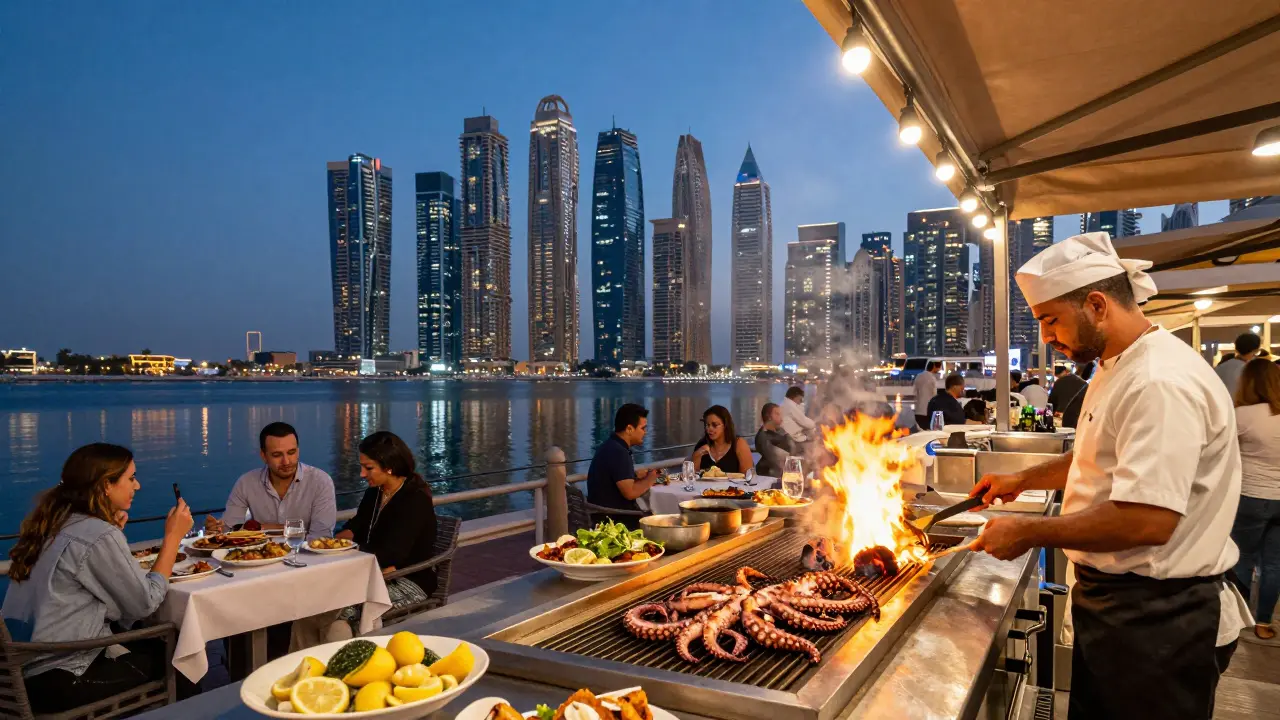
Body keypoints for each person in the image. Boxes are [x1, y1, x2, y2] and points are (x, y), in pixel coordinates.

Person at [968, 232, 1250, 720]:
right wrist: (1023, 480)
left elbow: (1146, 520)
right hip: (1121, 613)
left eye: (1050, 320)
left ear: (1097, 304)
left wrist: (1029, 531)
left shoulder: (1159, 381)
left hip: (1160, 624)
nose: (1047, 338)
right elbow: (1099, 458)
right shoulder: (1117, 364)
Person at [2, 444, 195, 713]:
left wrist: (111, 538)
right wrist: (173, 538)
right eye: (131, 478)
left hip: (16, 676)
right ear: (106, 485)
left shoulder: (54, 524)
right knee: (183, 658)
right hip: (63, 677)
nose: (137, 486)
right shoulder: (98, 534)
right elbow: (144, 603)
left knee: (147, 642)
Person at [292, 431, 439, 649]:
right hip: (373, 574)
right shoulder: (375, 493)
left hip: (408, 578)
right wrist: (328, 544)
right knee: (307, 609)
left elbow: (394, 553)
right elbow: (356, 525)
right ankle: (305, 670)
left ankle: (339, 674)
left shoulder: (414, 500)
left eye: (368, 468)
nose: (362, 474)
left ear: (388, 466)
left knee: (339, 615)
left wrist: (350, 552)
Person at [205, 422, 336, 540]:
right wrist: (216, 529)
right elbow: (230, 531)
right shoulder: (246, 483)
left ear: (298, 451)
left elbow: (320, 538)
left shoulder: (320, 482)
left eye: (291, 452)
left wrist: (262, 528)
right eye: (277, 455)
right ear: (263, 456)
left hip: (307, 561)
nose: (286, 461)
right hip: (258, 559)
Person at [1229, 358, 1280, 644]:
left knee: (1241, 558)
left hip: (1250, 496)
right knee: (1274, 565)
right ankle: (1263, 622)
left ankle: (1236, 618)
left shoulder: (1242, 416)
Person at [585, 403, 657, 528]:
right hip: (616, 521)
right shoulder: (619, 452)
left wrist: (633, 475)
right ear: (629, 429)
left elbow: (612, 479)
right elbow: (630, 492)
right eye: (643, 428)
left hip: (600, 514)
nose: (645, 433)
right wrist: (651, 478)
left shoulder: (610, 446)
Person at [691, 405, 754, 475]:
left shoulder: (739, 444)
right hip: (705, 486)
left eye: (714, 425)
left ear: (725, 425)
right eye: (707, 425)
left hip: (734, 486)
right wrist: (698, 454)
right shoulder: (701, 444)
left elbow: (748, 476)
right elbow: (693, 476)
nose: (709, 429)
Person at [754, 403, 795, 477]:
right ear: (768, 417)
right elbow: (776, 460)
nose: (781, 418)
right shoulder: (762, 437)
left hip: (784, 471)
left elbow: (792, 447)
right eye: (777, 414)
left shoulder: (780, 430)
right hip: (770, 476)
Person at [913, 361, 942, 429]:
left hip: (918, 411)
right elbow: (934, 395)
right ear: (934, 366)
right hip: (927, 412)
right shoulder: (932, 378)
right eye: (939, 367)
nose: (939, 370)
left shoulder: (918, 376)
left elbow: (915, 392)